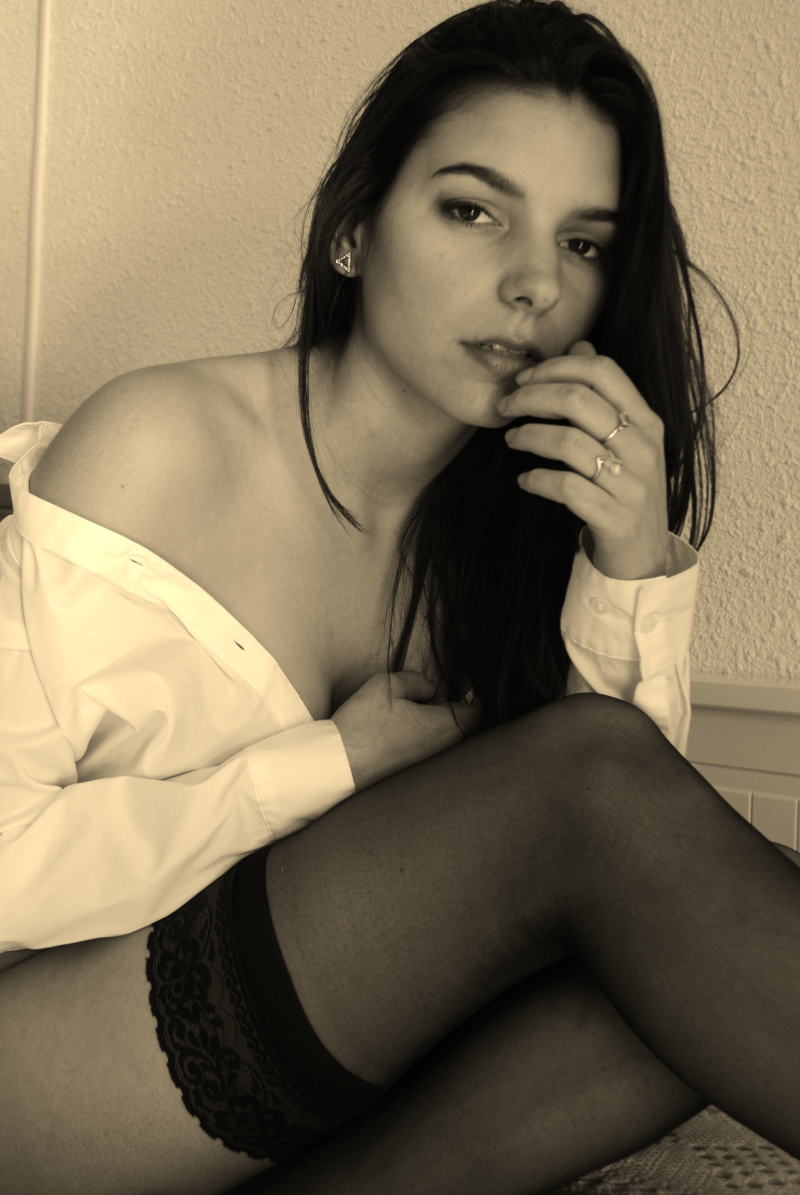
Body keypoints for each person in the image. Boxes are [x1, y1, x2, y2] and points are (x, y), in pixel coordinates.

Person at [1, 1, 798, 1192]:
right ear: (353, 232)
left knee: (693, 936)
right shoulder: (153, 447)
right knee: (602, 805)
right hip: (39, 1067)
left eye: (584, 244)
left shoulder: (510, 528)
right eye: (472, 211)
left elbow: (624, 863)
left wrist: (629, 559)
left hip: (292, 1090)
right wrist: (329, 765)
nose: (532, 283)